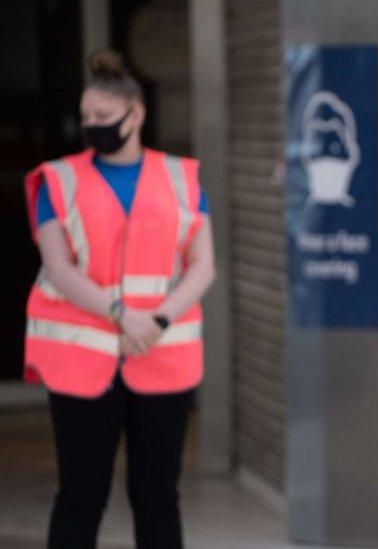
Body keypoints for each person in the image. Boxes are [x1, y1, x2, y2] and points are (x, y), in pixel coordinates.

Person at [22, 50, 215, 549]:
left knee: (156, 497)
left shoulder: (181, 178)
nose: (92, 127)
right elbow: (59, 268)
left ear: (137, 115)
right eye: (87, 118)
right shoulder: (59, 179)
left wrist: (159, 319)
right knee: (81, 497)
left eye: (104, 118)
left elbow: (203, 265)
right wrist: (121, 314)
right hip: (81, 365)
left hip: (161, 356)